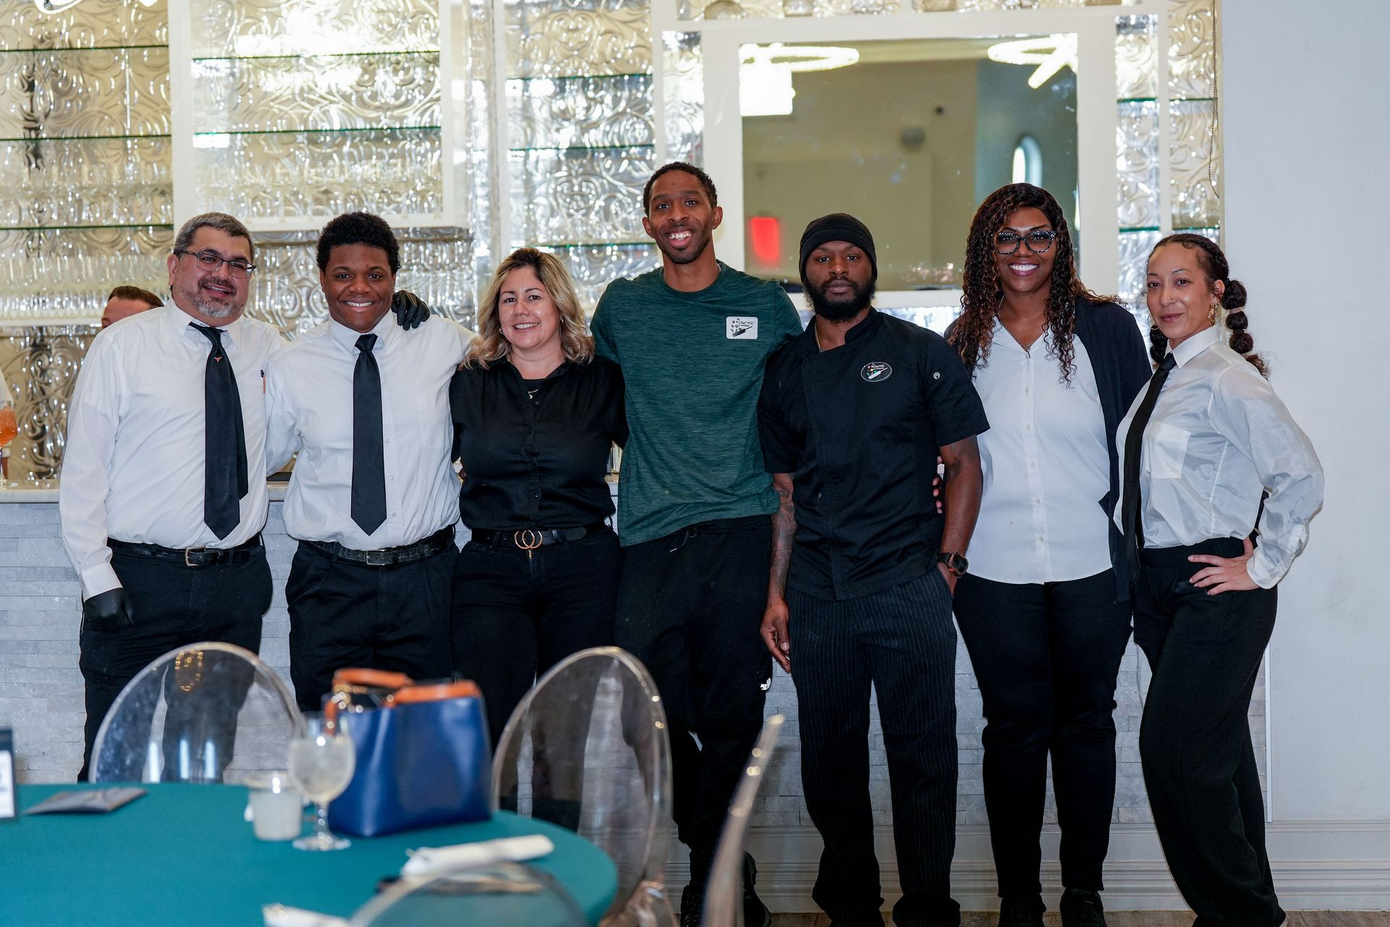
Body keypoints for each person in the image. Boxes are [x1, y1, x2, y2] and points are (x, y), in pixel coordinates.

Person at [758, 213, 987, 927]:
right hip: (819, 593)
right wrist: (775, 592)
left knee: (924, 759)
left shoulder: (920, 353)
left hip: (907, 583)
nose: (836, 267)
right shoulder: (785, 368)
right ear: (806, 272)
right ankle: (851, 908)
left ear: (870, 267)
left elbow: (964, 464)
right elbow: (784, 494)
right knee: (830, 764)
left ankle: (927, 908)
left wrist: (946, 568)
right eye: (822, 256)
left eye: (851, 255)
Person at [590, 161, 803, 927]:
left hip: (741, 530)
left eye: (689, 202)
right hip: (649, 532)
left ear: (715, 213)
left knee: (731, 716)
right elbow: (605, 401)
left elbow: (792, 424)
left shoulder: (765, 304)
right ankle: (721, 856)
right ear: (648, 225)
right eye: (660, 206)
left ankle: (716, 883)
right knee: (645, 710)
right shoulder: (622, 308)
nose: (676, 215)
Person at [944, 183, 1151, 927]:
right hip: (993, 570)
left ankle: (1083, 892)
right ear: (985, 251)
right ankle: (1021, 899)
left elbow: (1140, 448)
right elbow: (944, 457)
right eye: (1006, 238)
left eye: (1037, 236)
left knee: (1088, 724)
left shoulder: (1105, 328)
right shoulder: (962, 341)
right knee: (1013, 728)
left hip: (1093, 565)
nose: (1023, 252)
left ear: (1060, 244)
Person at [1120, 234, 1321, 927]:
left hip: (1212, 582)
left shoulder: (1227, 375)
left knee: (1174, 752)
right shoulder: (1166, 376)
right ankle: (1246, 907)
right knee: (1219, 756)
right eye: (1152, 283)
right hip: (1160, 587)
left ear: (1214, 293)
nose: (1165, 297)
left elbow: (1300, 473)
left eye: (1181, 282)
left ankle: (1241, 913)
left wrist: (1262, 564)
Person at [60, 213, 285, 779]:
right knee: (116, 756)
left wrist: (398, 325)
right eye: (208, 258)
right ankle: (109, 868)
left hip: (233, 587)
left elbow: (322, 399)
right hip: (138, 582)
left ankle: (196, 864)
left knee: (205, 760)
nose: (222, 274)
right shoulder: (122, 347)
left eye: (238, 264)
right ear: (174, 265)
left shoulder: (269, 347)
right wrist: (95, 575)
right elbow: (84, 468)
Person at [265, 212, 468, 711]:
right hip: (330, 583)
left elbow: (520, 357)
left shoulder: (445, 342)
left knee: (425, 740)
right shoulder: (293, 365)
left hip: (426, 580)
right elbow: (259, 458)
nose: (359, 287)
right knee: (331, 739)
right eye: (343, 275)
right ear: (322, 279)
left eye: (375, 275)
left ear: (396, 279)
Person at [450, 247, 626, 753]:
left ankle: (555, 835)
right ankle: (495, 835)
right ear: (495, 313)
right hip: (491, 572)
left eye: (533, 296)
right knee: (488, 737)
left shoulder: (603, 380)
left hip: (583, 571)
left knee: (564, 737)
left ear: (560, 305)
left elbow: (657, 448)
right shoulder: (467, 382)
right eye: (508, 300)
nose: (520, 310)